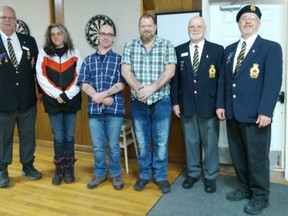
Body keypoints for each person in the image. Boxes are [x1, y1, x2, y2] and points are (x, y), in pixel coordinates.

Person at [216, 5, 282, 215]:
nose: (247, 21)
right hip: (233, 112)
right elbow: (224, 81)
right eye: (243, 18)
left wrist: (266, 111)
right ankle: (244, 188)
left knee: (257, 157)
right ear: (238, 23)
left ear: (259, 23)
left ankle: (261, 196)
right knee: (238, 154)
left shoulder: (270, 48)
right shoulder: (230, 50)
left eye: (252, 18)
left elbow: (273, 82)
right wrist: (221, 104)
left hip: (256, 115)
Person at [121, 14, 177, 194]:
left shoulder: (166, 44)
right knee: (143, 141)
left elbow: (170, 71)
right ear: (139, 28)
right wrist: (139, 89)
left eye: (149, 25)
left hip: (161, 100)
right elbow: (125, 71)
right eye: (143, 26)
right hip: (138, 102)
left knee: (161, 141)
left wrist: (151, 89)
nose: (146, 28)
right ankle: (145, 174)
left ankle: (160, 176)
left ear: (155, 27)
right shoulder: (130, 45)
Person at [170, 16, 224, 193]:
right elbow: (175, 80)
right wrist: (175, 103)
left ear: (205, 28)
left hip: (209, 106)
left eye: (199, 26)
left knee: (210, 144)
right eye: (192, 26)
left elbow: (221, 80)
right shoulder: (179, 50)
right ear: (188, 29)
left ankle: (210, 176)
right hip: (187, 105)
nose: (195, 29)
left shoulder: (217, 50)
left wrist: (220, 104)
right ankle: (193, 173)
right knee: (191, 142)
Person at [77, 24, 125, 190]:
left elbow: (121, 84)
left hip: (114, 110)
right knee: (97, 147)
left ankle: (116, 174)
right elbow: (83, 83)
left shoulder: (120, 60)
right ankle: (100, 174)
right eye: (103, 34)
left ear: (113, 38)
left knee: (113, 146)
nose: (106, 37)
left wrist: (102, 96)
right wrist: (97, 97)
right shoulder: (88, 60)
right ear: (98, 36)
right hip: (94, 111)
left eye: (110, 35)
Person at [0, 6, 42, 188]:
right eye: (3, 18)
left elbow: (38, 69)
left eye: (11, 18)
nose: (7, 20)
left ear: (16, 20)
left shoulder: (28, 40)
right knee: (3, 138)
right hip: (3, 102)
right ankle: (2, 170)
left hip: (27, 100)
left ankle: (28, 165)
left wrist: (40, 90)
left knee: (28, 136)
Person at [36, 23, 82, 185]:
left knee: (69, 136)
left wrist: (66, 95)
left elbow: (79, 77)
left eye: (59, 33)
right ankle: (59, 168)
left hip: (70, 100)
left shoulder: (75, 53)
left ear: (65, 35)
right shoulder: (43, 54)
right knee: (59, 136)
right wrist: (58, 95)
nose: (56, 36)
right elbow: (41, 77)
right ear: (49, 37)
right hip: (53, 101)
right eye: (53, 34)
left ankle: (69, 168)